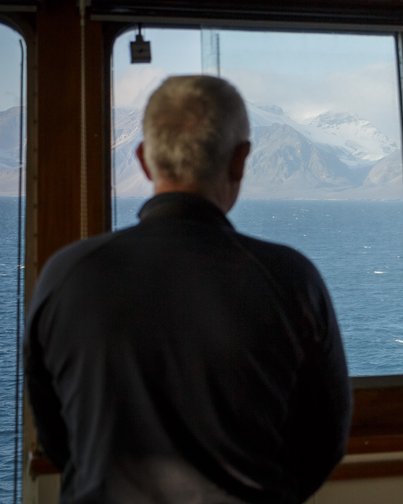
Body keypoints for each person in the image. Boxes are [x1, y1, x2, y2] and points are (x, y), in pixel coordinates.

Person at [24, 75, 352, 503]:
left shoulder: (66, 275)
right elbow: (323, 440)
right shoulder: (290, 279)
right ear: (240, 160)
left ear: (144, 160)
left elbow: (56, 433)